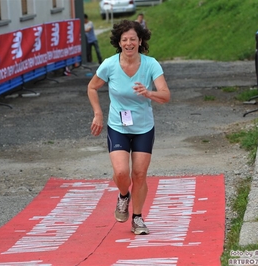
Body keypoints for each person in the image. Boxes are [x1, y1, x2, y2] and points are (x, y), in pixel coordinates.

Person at [87, 20, 170, 235]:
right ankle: (124, 195)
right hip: (118, 126)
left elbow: (165, 95)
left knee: (140, 175)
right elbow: (92, 87)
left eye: (133, 39)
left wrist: (149, 93)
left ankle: (138, 218)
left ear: (140, 41)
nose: (129, 43)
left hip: (143, 127)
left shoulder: (151, 64)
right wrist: (98, 114)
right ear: (119, 42)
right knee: (122, 172)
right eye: (125, 39)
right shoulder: (109, 65)